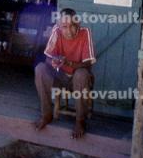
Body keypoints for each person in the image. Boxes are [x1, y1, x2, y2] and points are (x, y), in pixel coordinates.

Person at [34, 8, 96, 139]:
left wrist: (69, 63)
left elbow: (88, 63)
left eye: (72, 26)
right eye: (65, 27)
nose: (68, 31)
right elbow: (48, 58)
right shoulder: (56, 31)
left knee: (81, 74)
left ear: (78, 23)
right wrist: (55, 61)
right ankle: (46, 114)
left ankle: (80, 121)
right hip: (60, 76)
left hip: (77, 80)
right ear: (59, 26)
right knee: (40, 69)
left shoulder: (85, 32)